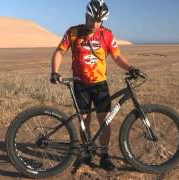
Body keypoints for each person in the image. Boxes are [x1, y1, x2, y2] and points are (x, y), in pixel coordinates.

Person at [50, 0, 140, 171]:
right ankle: (87, 153)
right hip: (80, 85)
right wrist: (54, 71)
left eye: (99, 21)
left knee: (104, 121)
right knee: (84, 121)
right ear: (86, 15)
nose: (95, 24)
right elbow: (60, 51)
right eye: (92, 19)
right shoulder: (73, 32)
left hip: (100, 85)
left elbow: (117, 56)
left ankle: (104, 156)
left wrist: (131, 68)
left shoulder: (106, 34)